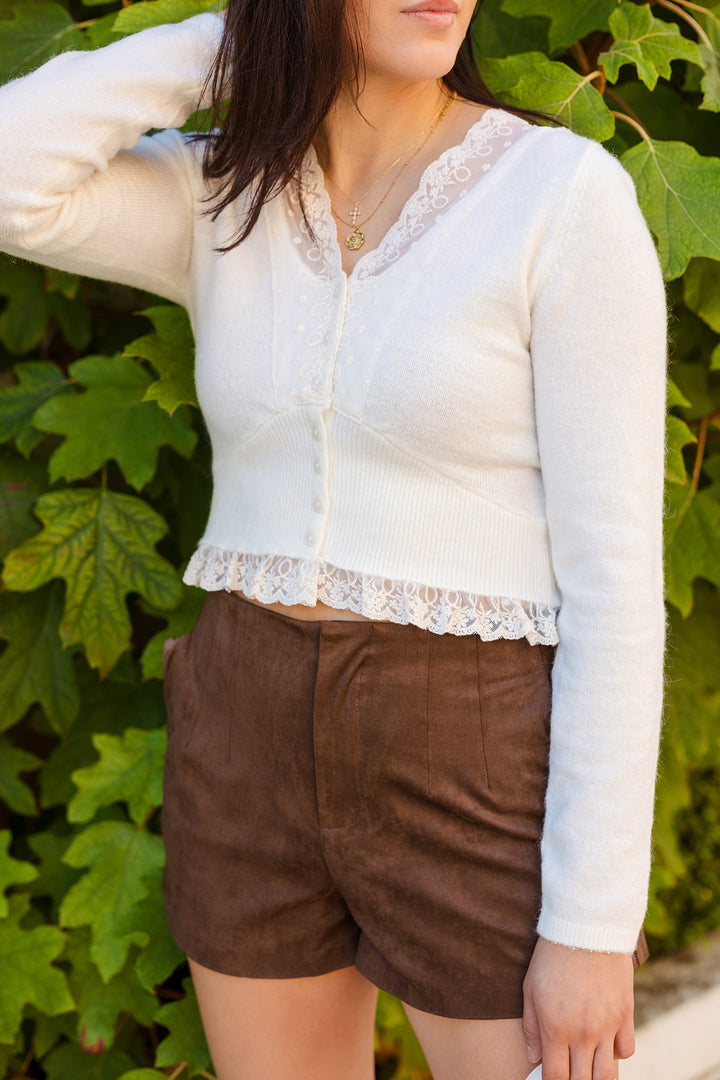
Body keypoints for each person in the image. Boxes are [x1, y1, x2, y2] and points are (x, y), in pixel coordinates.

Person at [0, 0, 668, 1077]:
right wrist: (242, 39)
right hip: (244, 726)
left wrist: (592, 923)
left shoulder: (560, 197)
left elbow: (619, 587)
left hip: (469, 744)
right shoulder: (227, 192)